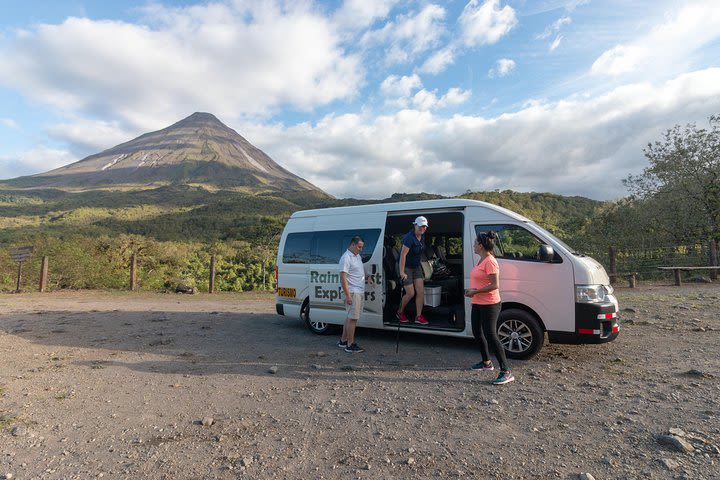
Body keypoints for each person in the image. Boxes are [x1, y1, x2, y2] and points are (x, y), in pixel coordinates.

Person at [465, 231, 515, 385]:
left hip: (490, 304)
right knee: (477, 332)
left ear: (480, 245)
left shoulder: (490, 261)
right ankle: (486, 363)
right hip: (478, 302)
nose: (473, 245)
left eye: (475, 243)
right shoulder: (481, 260)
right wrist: (473, 292)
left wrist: (475, 291)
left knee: (491, 335)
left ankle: (506, 371)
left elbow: (495, 285)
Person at [338, 236, 373, 353]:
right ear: (352, 244)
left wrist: (367, 277)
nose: (361, 249)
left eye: (362, 247)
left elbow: (358, 273)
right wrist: (348, 295)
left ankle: (343, 341)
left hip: (358, 290)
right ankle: (350, 345)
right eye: (359, 247)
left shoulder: (356, 256)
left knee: (349, 318)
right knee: (353, 319)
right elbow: (343, 278)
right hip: (353, 292)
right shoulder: (346, 257)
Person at [396, 216, 430, 325]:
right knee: (410, 293)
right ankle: (399, 312)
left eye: (424, 226)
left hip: (416, 266)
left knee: (420, 291)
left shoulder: (422, 237)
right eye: (420, 226)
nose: (422, 228)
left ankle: (418, 316)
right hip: (405, 266)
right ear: (415, 225)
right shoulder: (409, 238)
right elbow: (403, 255)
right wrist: (402, 272)